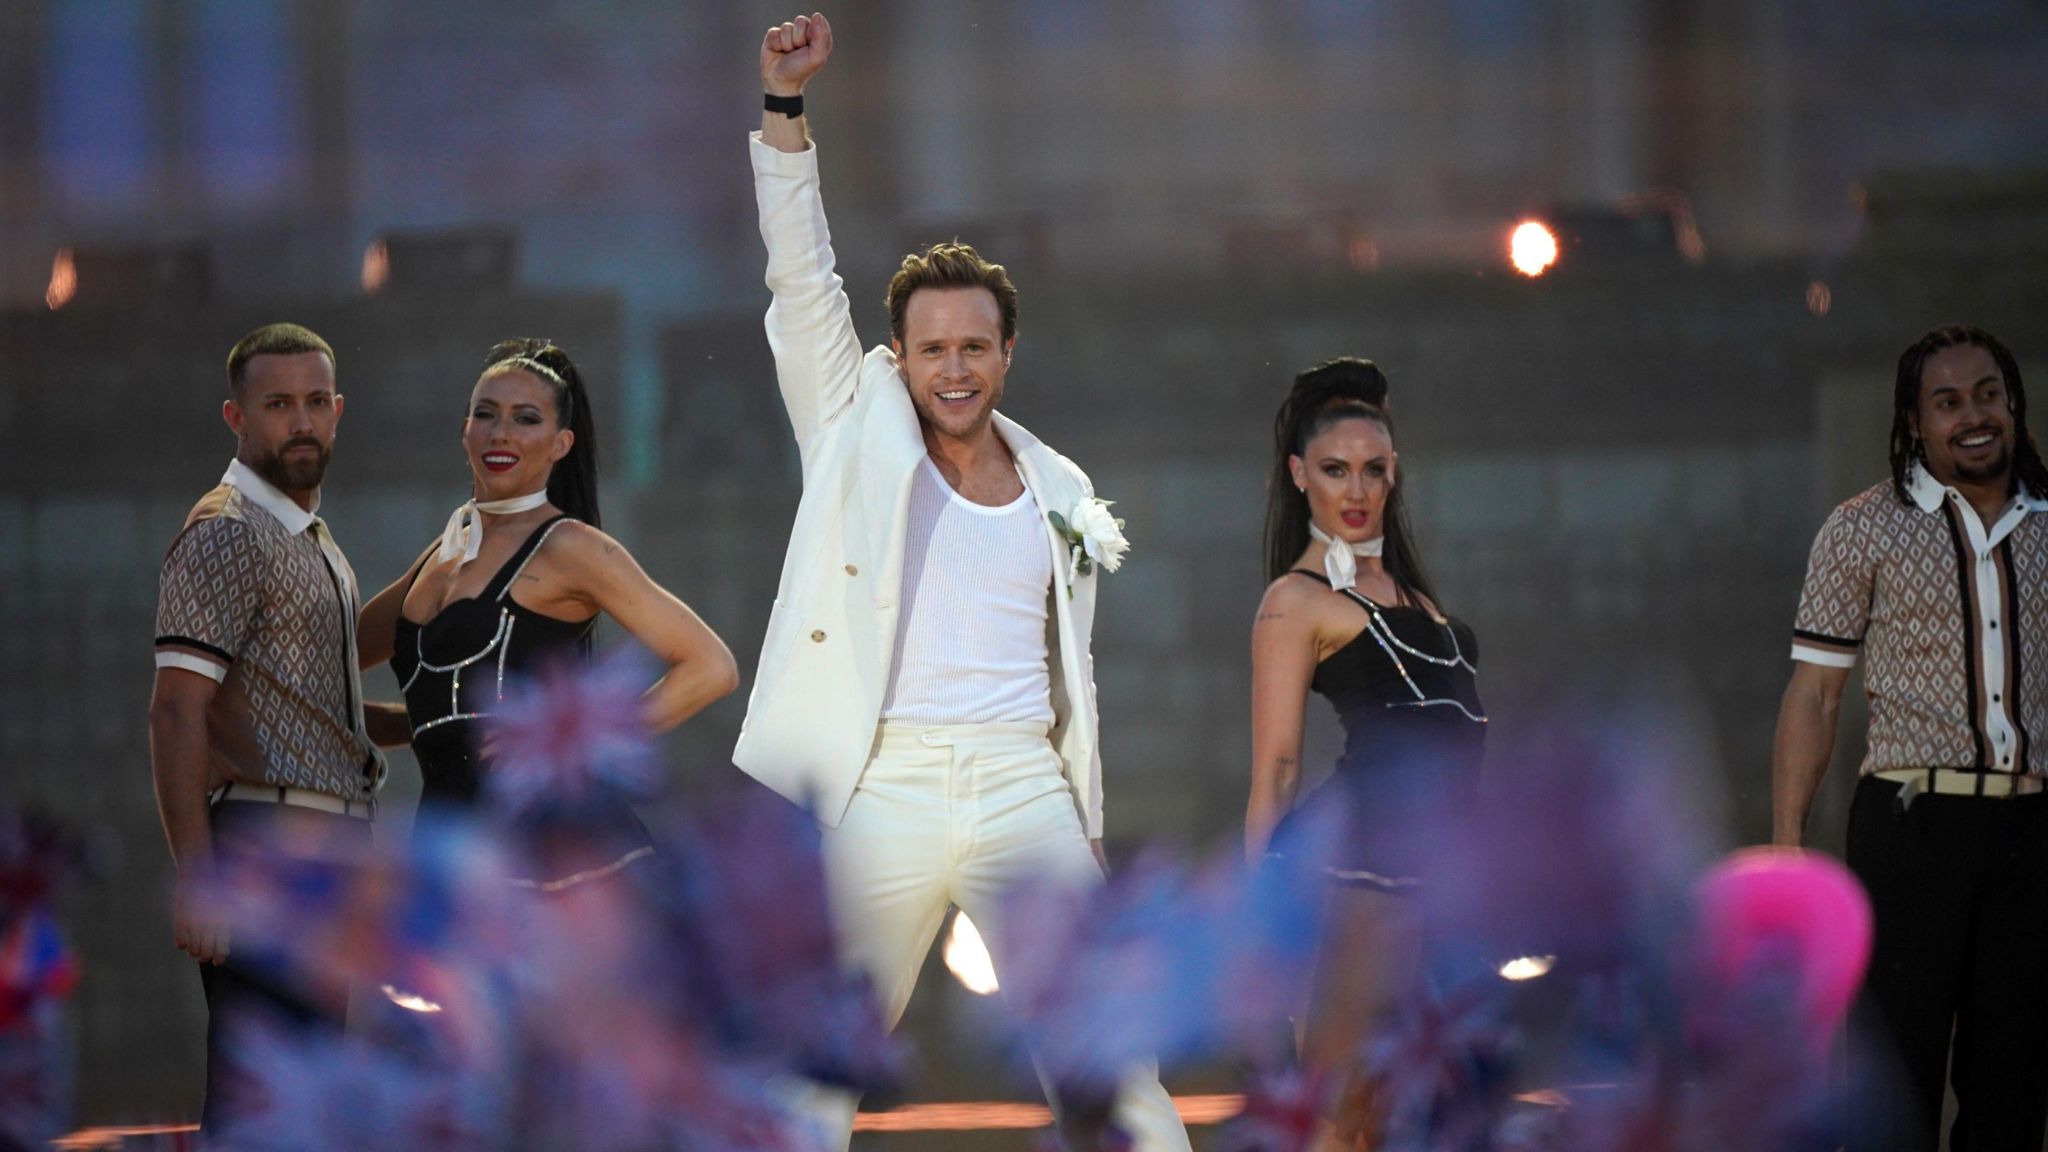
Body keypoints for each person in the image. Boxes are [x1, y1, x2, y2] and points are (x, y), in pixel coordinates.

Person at [736, 14, 1191, 1151]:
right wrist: (785, 112)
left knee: (1112, 1068)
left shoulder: (1057, 483)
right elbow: (801, 280)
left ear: (1004, 353)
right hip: (882, 778)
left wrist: (1077, 818)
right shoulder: (850, 428)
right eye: (931, 348)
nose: (953, 368)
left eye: (973, 347)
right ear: (897, 355)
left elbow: (1068, 675)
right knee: (807, 1072)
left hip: (1019, 785)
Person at [1772, 324, 2048, 1151]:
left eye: (1988, 394)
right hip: (1909, 826)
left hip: (2034, 833)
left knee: (2016, 1085)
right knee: (1895, 1080)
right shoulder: (1861, 529)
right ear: (1915, 421)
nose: (1974, 416)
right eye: (1948, 401)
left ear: (2013, 403)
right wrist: (1787, 848)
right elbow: (1816, 696)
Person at [149, 323, 407, 1131]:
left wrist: (442, 725)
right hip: (267, 846)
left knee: (312, 1096)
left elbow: (308, 710)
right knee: (266, 1098)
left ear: (338, 411)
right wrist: (200, 876)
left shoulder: (306, 537)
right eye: (277, 405)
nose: (299, 421)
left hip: (328, 845)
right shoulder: (229, 531)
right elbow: (176, 708)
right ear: (236, 418)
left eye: (314, 402)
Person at [357, 339, 737, 885]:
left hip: (554, 862)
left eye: (525, 419)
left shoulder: (570, 547)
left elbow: (711, 667)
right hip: (449, 857)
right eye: (484, 415)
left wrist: (574, 741)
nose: (500, 433)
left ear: (561, 444)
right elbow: (337, 671)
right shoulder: (439, 556)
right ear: (465, 430)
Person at [1245, 358, 1486, 1151]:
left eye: (1373, 470)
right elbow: (1276, 770)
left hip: (1440, 876)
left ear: (1395, 474)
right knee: (1345, 1114)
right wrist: (1261, 924)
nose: (1355, 490)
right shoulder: (1296, 600)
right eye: (1335, 471)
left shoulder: (1415, 595)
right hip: (1362, 879)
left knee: (1432, 1107)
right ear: (1299, 475)